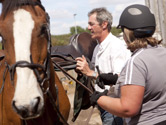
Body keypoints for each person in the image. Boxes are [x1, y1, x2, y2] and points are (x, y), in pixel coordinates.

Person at [90, 4, 166, 125]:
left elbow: (128, 108)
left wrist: (99, 99)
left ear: (127, 32)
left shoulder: (136, 60)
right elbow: (149, 82)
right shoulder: (162, 52)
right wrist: (117, 80)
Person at [76, 7, 131, 125]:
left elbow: (120, 79)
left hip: (114, 107)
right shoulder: (97, 47)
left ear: (104, 24)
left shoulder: (116, 47)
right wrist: (84, 70)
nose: (88, 28)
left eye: (91, 24)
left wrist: (90, 73)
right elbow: (96, 73)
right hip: (104, 104)